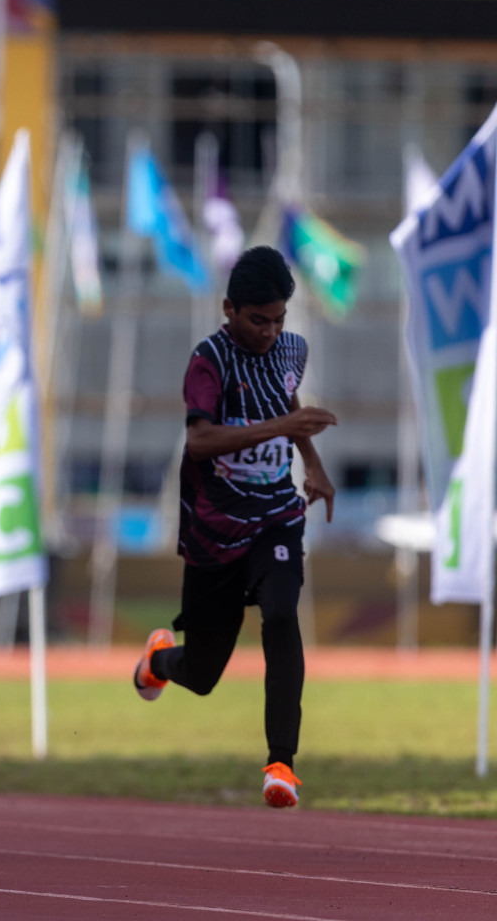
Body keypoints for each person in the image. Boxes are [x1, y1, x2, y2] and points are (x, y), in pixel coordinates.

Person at [132, 247, 336, 810]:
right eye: (257, 320)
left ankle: (281, 765)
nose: (270, 332)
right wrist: (284, 425)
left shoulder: (292, 350)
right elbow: (199, 441)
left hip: (275, 516)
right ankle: (157, 661)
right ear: (229, 309)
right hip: (214, 528)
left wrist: (312, 464)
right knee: (201, 673)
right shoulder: (209, 362)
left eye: (279, 320)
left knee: (280, 614)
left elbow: (284, 396)